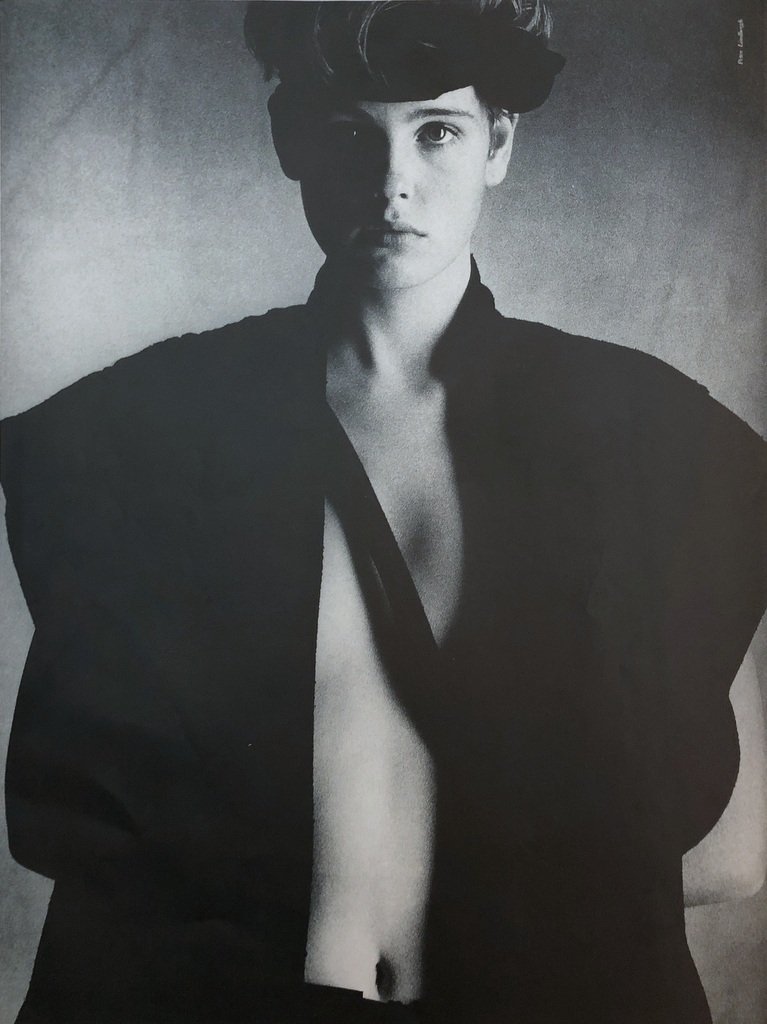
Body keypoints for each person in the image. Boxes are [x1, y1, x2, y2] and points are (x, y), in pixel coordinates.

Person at [2, 2, 766, 1022]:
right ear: (290, 142)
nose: (391, 179)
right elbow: (74, 827)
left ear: (498, 143)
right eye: (348, 133)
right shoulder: (133, 433)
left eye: (435, 131)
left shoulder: (656, 440)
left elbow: (734, 852)